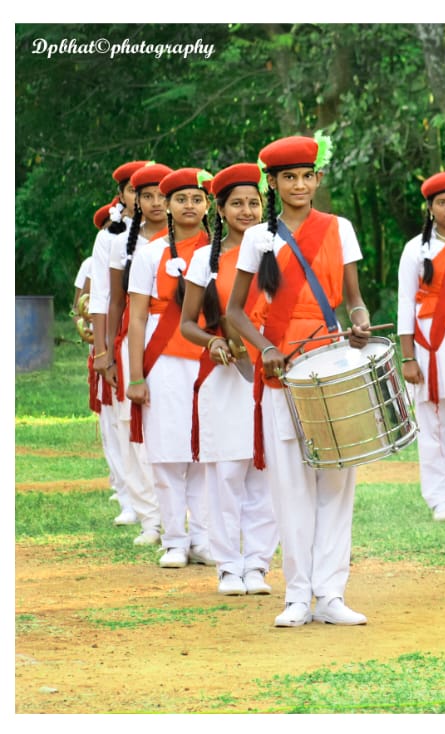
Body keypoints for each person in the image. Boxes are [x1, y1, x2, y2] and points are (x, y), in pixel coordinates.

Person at [225, 133, 373, 627]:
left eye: (306, 176)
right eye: (288, 177)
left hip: (330, 364)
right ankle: (297, 594)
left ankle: (331, 593)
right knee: (291, 485)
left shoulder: (339, 228)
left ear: (318, 178)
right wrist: (264, 348)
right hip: (281, 371)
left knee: (336, 481)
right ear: (273, 183)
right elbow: (235, 312)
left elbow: (353, 297)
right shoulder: (257, 238)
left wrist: (360, 320)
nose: (299, 184)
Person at [180, 162, 278, 596]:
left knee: (268, 473)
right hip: (225, 376)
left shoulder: (277, 248)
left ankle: (258, 564)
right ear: (219, 210)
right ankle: (227, 564)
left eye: (253, 202)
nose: (247, 211)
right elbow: (187, 324)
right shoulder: (207, 258)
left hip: (274, 371)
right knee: (227, 473)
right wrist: (211, 342)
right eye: (236, 203)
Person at [125, 167, 216, 569]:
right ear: (167, 204)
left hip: (211, 361)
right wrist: (136, 376)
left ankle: (202, 538)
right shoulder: (149, 254)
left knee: (205, 452)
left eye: (197, 198)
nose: (189, 206)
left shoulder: (222, 249)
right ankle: (174, 539)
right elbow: (138, 318)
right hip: (161, 361)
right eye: (181, 199)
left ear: (208, 204)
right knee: (166, 452)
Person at [90, 160, 163, 544]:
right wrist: (105, 351)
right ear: (125, 196)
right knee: (128, 427)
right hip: (128, 339)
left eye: (157, 194)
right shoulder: (118, 240)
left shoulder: (193, 239)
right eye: (140, 193)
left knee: (170, 427)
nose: (149, 201)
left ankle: (176, 513)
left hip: (173, 342)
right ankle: (148, 515)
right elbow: (107, 299)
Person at [397, 172, 445, 521]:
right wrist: (408, 356)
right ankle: (438, 497)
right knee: (433, 425)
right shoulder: (416, 248)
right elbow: (404, 305)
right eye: (442, 202)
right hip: (430, 342)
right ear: (430, 208)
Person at [82, 201, 130, 526]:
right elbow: (96, 296)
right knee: (119, 423)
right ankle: (130, 496)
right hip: (121, 333)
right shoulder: (109, 240)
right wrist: (102, 348)